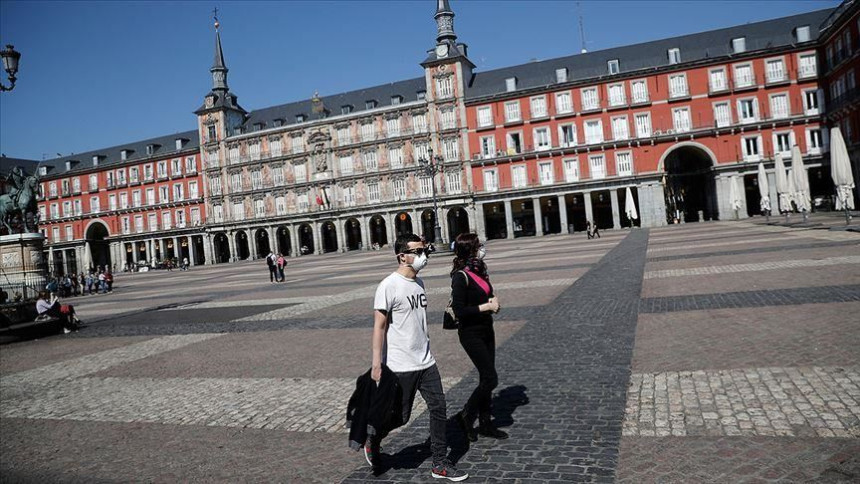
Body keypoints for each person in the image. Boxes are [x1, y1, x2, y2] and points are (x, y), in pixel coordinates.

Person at [367, 233, 468, 481]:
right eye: (418, 251)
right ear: (402, 256)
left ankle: (439, 463)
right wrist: (376, 363)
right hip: (401, 365)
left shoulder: (419, 283)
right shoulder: (388, 286)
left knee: (439, 409)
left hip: (426, 361)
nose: (424, 255)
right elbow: (379, 327)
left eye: (425, 250)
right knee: (401, 417)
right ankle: (373, 437)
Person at [450, 234, 508, 443]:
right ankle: (465, 415)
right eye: (479, 245)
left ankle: (485, 423)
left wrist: (494, 301)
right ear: (471, 250)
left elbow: (487, 294)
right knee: (491, 377)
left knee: (486, 379)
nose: (483, 248)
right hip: (470, 333)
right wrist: (486, 307)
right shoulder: (460, 276)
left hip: (486, 329)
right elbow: (460, 311)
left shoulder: (480, 271)